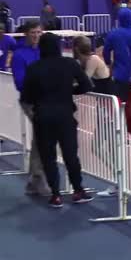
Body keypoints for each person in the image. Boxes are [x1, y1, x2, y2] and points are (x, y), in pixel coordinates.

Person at [21, 33, 94, 208]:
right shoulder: (69, 64)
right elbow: (87, 84)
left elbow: (27, 97)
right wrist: (69, 92)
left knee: (49, 158)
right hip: (65, 116)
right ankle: (78, 190)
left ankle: (55, 195)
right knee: (70, 155)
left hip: (43, 117)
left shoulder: (33, 68)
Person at [72, 36, 118, 197]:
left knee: (103, 147)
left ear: (76, 48)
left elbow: (84, 82)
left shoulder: (92, 59)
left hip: (109, 108)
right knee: (105, 148)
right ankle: (118, 181)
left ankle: (119, 182)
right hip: (104, 107)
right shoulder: (86, 61)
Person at [12, 21, 50, 196]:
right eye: (33, 32)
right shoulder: (20, 55)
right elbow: (20, 83)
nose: (36, 35)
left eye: (39, 32)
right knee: (42, 137)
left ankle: (34, 180)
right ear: (26, 34)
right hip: (30, 102)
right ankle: (37, 177)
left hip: (46, 101)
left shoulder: (44, 52)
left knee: (40, 138)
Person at [103, 8, 131, 101]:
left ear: (119, 18)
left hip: (119, 75)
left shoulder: (113, 34)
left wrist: (109, 64)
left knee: (120, 105)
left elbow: (106, 52)